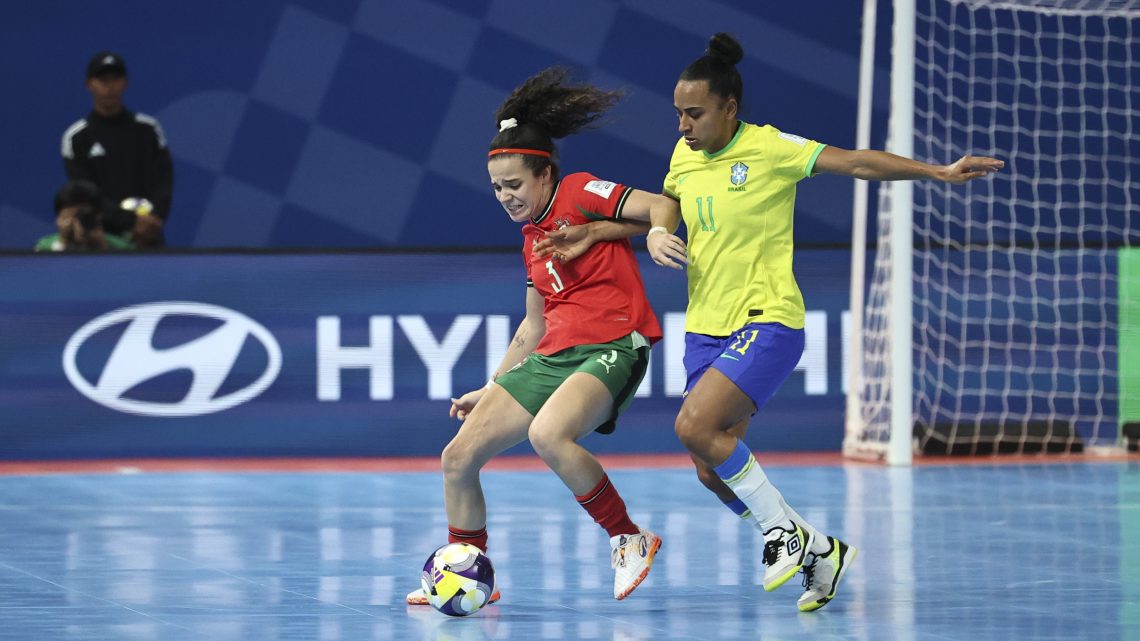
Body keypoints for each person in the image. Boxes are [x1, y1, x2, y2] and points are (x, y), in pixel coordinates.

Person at [536, 33, 1005, 612]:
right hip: (706, 328)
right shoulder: (685, 155)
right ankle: (818, 553)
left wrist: (937, 172)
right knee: (712, 470)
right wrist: (613, 231)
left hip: (768, 318)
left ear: (729, 109)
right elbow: (666, 209)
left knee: (692, 426)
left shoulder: (771, 149)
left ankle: (783, 536)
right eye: (678, 112)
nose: (683, 124)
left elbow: (856, 162)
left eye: (695, 113)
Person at [406, 67, 677, 606]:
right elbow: (534, 326)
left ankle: (629, 537)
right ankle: (469, 567)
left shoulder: (579, 191)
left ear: (546, 175)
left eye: (514, 185)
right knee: (457, 457)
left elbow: (662, 205)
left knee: (549, 435)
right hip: (555, 354)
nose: (505, 197)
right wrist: (493, 386)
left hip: (614, 344)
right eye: (496, 189)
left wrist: (659, 234)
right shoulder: (532, 241)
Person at [61, 51, 171, 247]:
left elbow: (164, 181)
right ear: (89, 84)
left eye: (115, 79)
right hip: (102, 237)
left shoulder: (148, 129)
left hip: (148, 235)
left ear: (125, 82)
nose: (109, 87)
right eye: (102, 80)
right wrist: (130, 221)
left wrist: (153, 219)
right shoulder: (77, 137)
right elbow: (85, 193)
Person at [34, 180, 133, 252]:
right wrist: (63, 243)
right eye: (68, 217)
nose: (77, 223)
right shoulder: (44, 248)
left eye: (83, 216)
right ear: (58, 218)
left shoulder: (123, 248)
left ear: (99, 216)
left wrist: (102, 248)